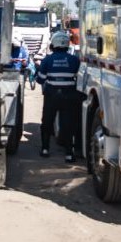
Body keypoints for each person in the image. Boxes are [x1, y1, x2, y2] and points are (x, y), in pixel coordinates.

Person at [36, 31, 81, 162]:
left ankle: (45, 149)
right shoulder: (74, 60)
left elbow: (40, 80)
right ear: (67, 45)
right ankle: (69, 153)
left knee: (47, 122)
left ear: (53, 45)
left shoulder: (47, 60)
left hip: (51, 96)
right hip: (69, 96)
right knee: (68, 124)